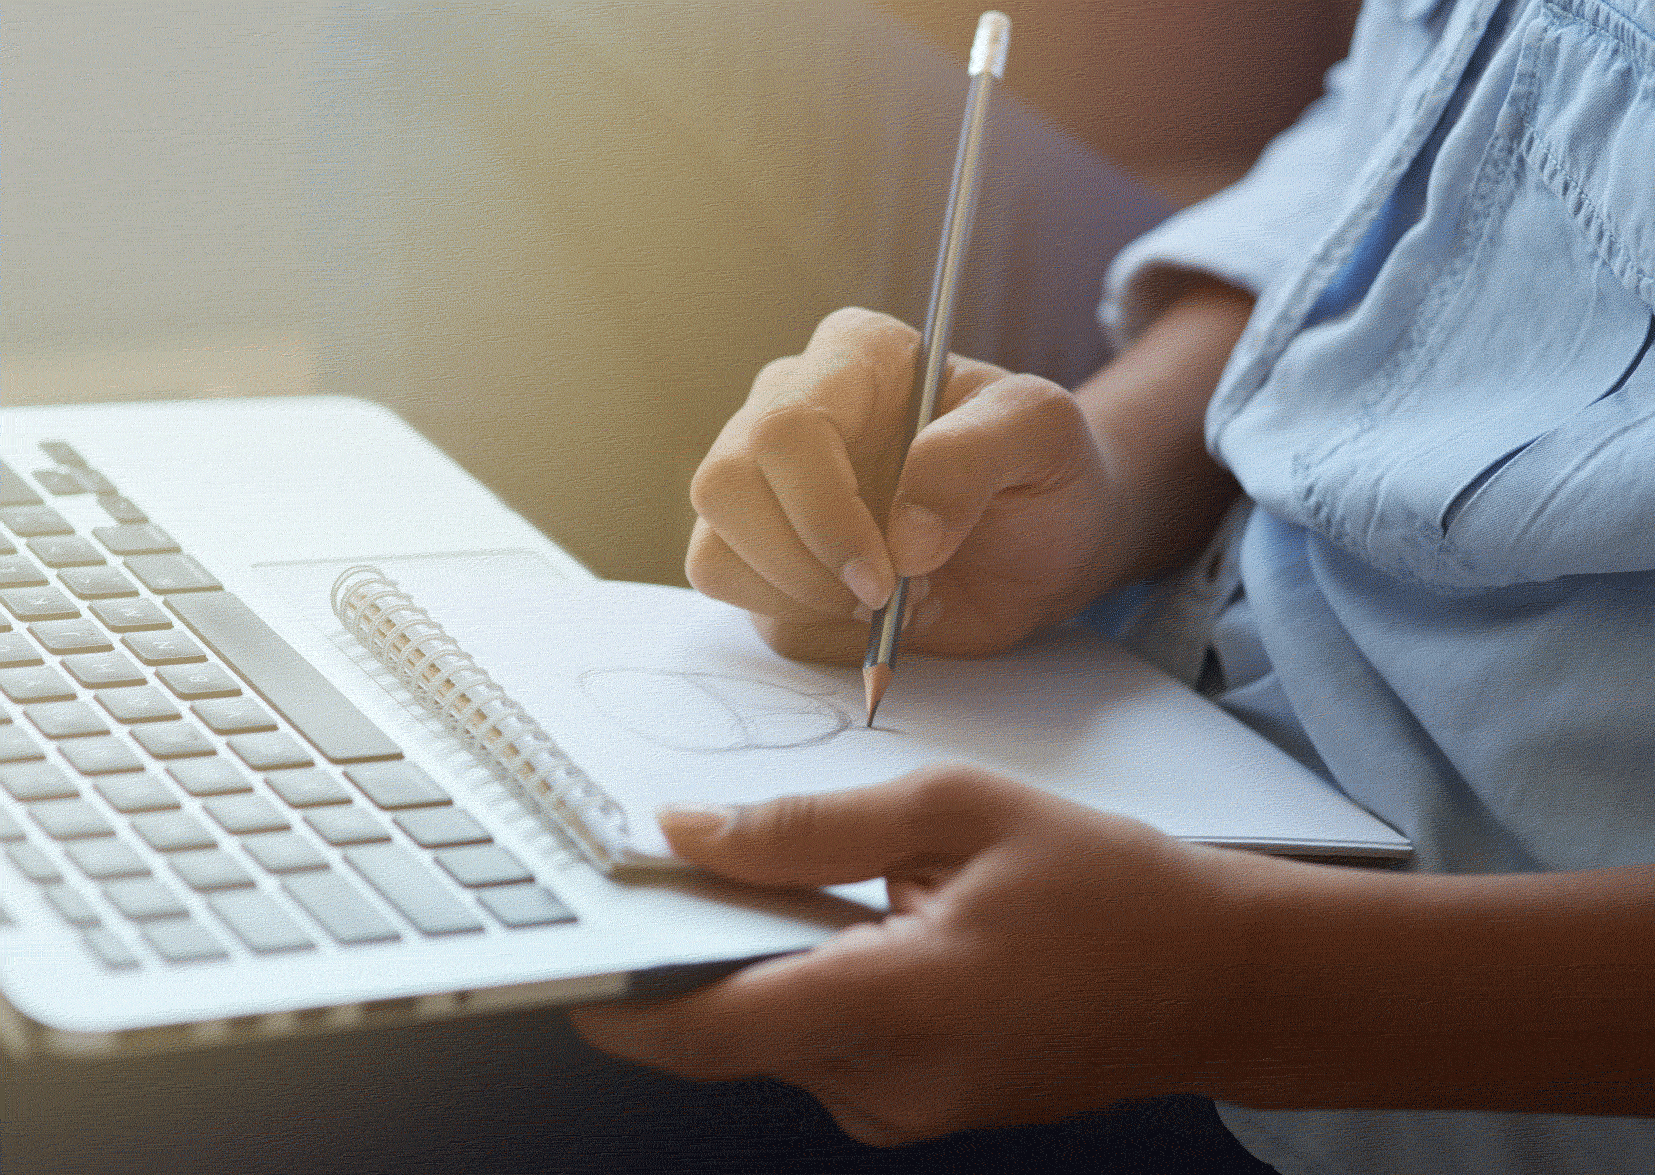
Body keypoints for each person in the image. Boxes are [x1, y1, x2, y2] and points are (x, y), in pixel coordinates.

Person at [571, 0, 1655, 1172]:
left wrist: (1242, 990)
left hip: (1383, 1010)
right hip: (1208, 582)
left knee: (503, 1031)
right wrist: (1104, 480)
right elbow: (1410, 139)